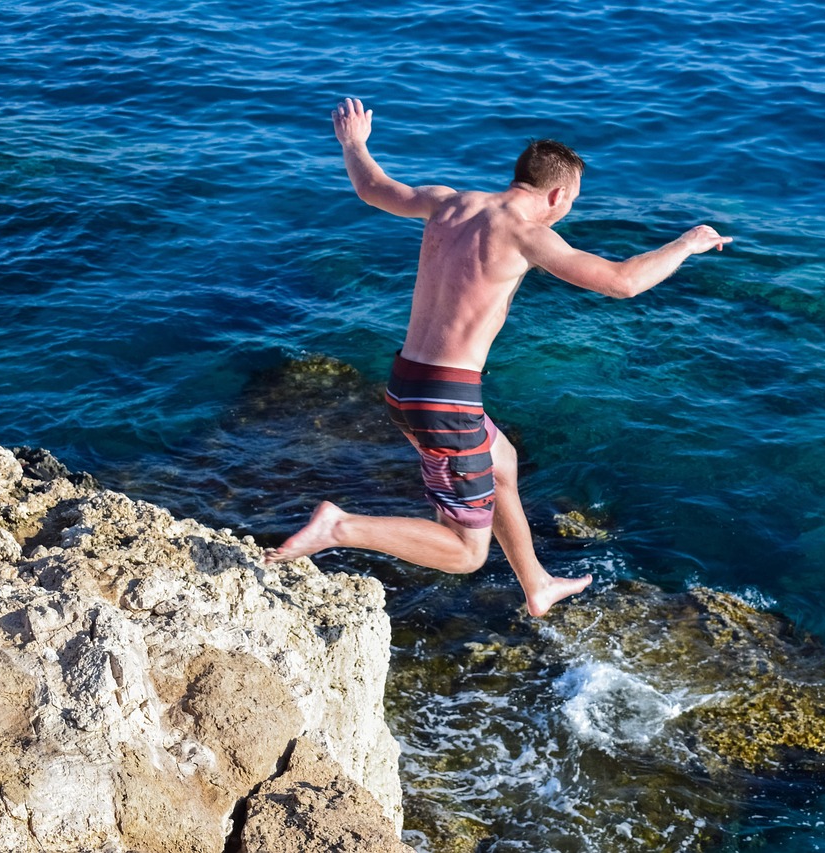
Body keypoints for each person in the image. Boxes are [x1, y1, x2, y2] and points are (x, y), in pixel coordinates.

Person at [265, 97, 732, 617]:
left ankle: (537, 585)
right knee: (466, 553)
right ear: (558, 194)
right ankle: (340, 527)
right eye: (573, 200)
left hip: (407, 381)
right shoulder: (529, 234)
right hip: (446, 402)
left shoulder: (449, 202)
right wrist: (686, 244)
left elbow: (373, 189)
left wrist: (354, 144)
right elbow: (622, 282)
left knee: (502, 461)